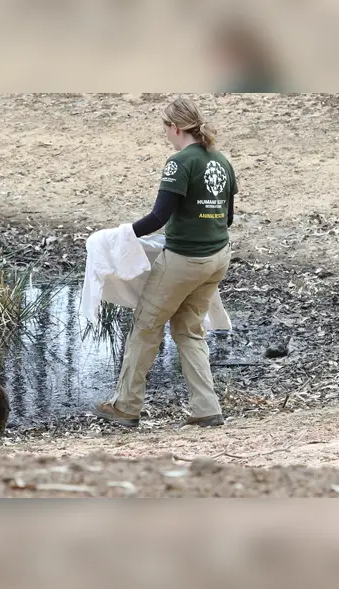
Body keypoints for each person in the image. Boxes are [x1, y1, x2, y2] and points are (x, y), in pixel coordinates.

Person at [92, 97, 237, 429]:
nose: (165, 137)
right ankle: (206, 408)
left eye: (166, 130)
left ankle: (126, 406)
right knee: (189, 330)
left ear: (175, 127)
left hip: (185, 259)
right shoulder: (222, 162)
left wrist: (122, 235)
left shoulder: (179, 163)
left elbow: (159, 217)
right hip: (218, 258)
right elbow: (226, 218)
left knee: (146, 324)